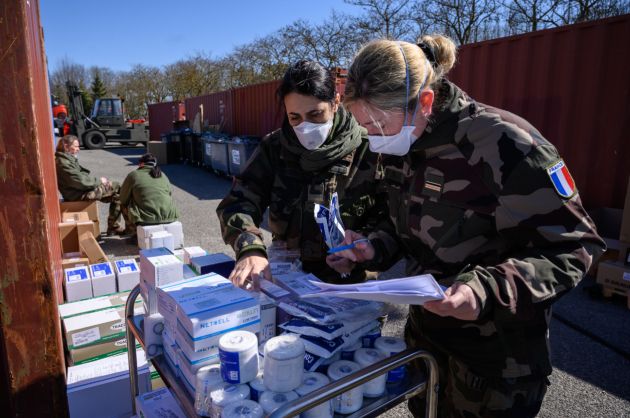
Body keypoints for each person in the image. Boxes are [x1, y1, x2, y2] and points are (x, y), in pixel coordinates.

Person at [328, 35, 606, 417]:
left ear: (424, 102)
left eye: (378, 125)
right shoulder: (402, 141)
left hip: (496, 366)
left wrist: (484, 289)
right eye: (364, 127)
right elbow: (408, 228)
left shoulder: (504, 142)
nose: (373, 139)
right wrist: (373, 247)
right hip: (427, 348)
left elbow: (575, 246)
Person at [216, 60, 385, 288]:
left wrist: (363, 250)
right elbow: (238, 202)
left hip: (352, 286)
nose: (305, 126)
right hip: (287, 280)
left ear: (335, 102)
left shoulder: (371, 149)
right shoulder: (274, 147)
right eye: (294, 117)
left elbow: (392, 218)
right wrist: (249, 247)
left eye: (316, 114)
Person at [55, 135, 128, 235]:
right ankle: (116, 227)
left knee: (117, 193)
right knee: (119, 189)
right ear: (66, 146)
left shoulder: (66, 159)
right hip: (78, 194)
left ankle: (114, 227)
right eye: (76, 146)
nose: (78, 149)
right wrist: (99, 181)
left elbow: (80, 179)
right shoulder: (63, 162)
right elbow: (81, 181)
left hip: (78, 191)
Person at [119, 153, 179, 235]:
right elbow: (169, 194)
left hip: (145, 220)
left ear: (141, 164)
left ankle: (133, 233)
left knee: (123, 204)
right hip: (170, 217)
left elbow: (122, 199)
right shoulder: (163, 175)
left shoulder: (133, 175)